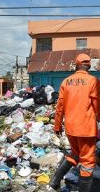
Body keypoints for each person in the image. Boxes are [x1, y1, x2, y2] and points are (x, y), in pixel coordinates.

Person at [48, 53, 100, 192]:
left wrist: (57, 126)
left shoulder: (66, 81)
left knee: (76, 154)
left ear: (76, 65)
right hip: (86, 129)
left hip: (71, 128)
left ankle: (54, 181)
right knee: (88, 161)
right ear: (88, 66)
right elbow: (97, 105)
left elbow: (60, 106)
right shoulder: (93, 81)